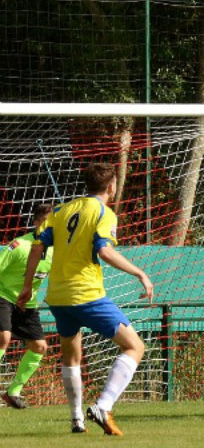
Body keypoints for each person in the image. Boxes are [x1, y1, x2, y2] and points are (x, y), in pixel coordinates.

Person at [18, 163, 154, 435]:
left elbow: (37, 247)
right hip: (86, 294)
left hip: (57, 296)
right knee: (135, 347)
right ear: (111, 187)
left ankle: (77, 419)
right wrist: (140, 273)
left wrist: (26, 286)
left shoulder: (61, 210)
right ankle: (104, 406)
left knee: (71, 355)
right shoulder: (104, 213)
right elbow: (104, 251)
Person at [0, 204, 53, 409]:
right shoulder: (19, 245)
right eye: (48, 223)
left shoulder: (56, 252)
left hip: (27, 303)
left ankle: (13, 392)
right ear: (36, 223)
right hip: (3, 295)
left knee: (40, 347)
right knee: (4, 336)